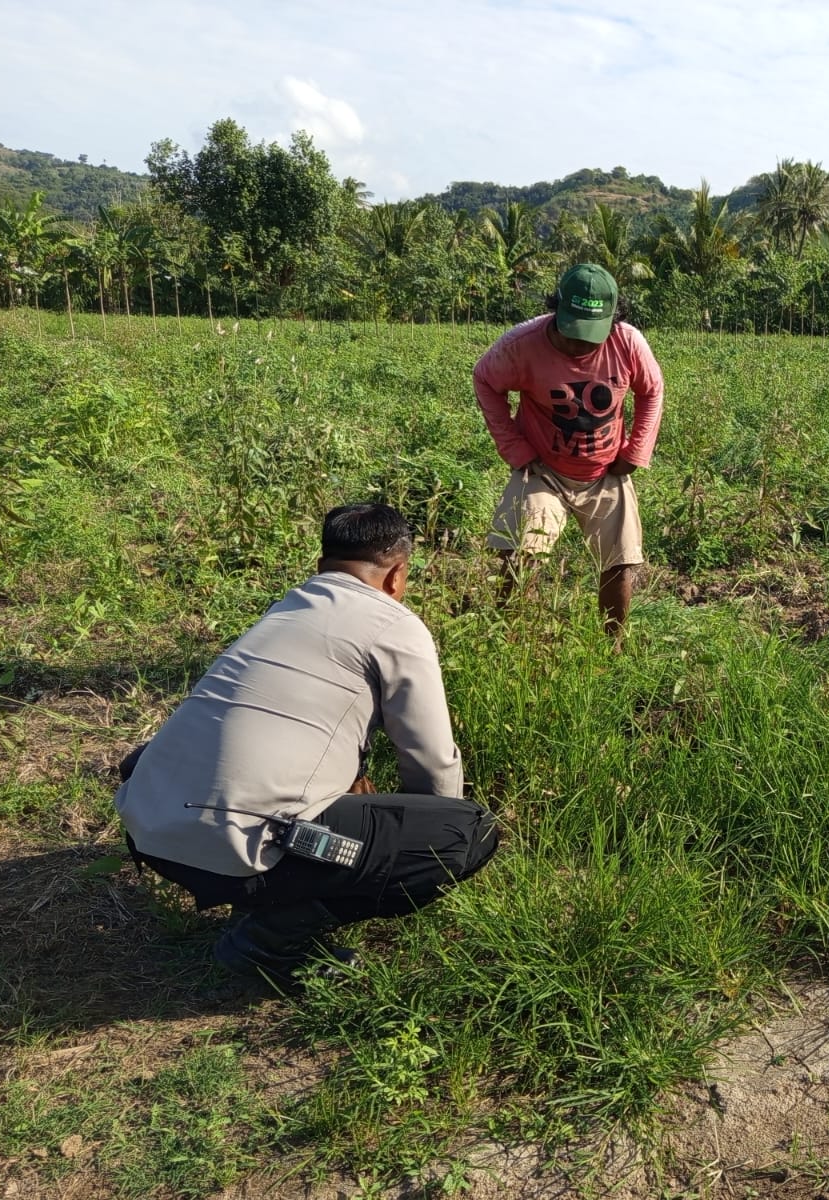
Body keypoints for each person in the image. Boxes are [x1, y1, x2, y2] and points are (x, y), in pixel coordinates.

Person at [114, 503, 498, 990]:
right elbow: (431, 759)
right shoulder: (394, 624)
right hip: (240, 849)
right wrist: (426, 834)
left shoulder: (285, 611)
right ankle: (268, 940)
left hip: (151, 831)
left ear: (322, 567)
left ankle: (257, 894)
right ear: (397, 574)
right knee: (466, 832)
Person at [473, 262, 665, 634]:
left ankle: (613, 648)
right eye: (572, 333)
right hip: (543, 470)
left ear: (613, 319)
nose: (580, 344)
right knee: (521, 554)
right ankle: (510, 640)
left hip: (606, 471)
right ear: (556, 309)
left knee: (622, 562)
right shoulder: (521, 345)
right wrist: (515, 449)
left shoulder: (627, 342)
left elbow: (652, 390)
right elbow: (485, 380)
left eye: (591, 336)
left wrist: (635, 452)